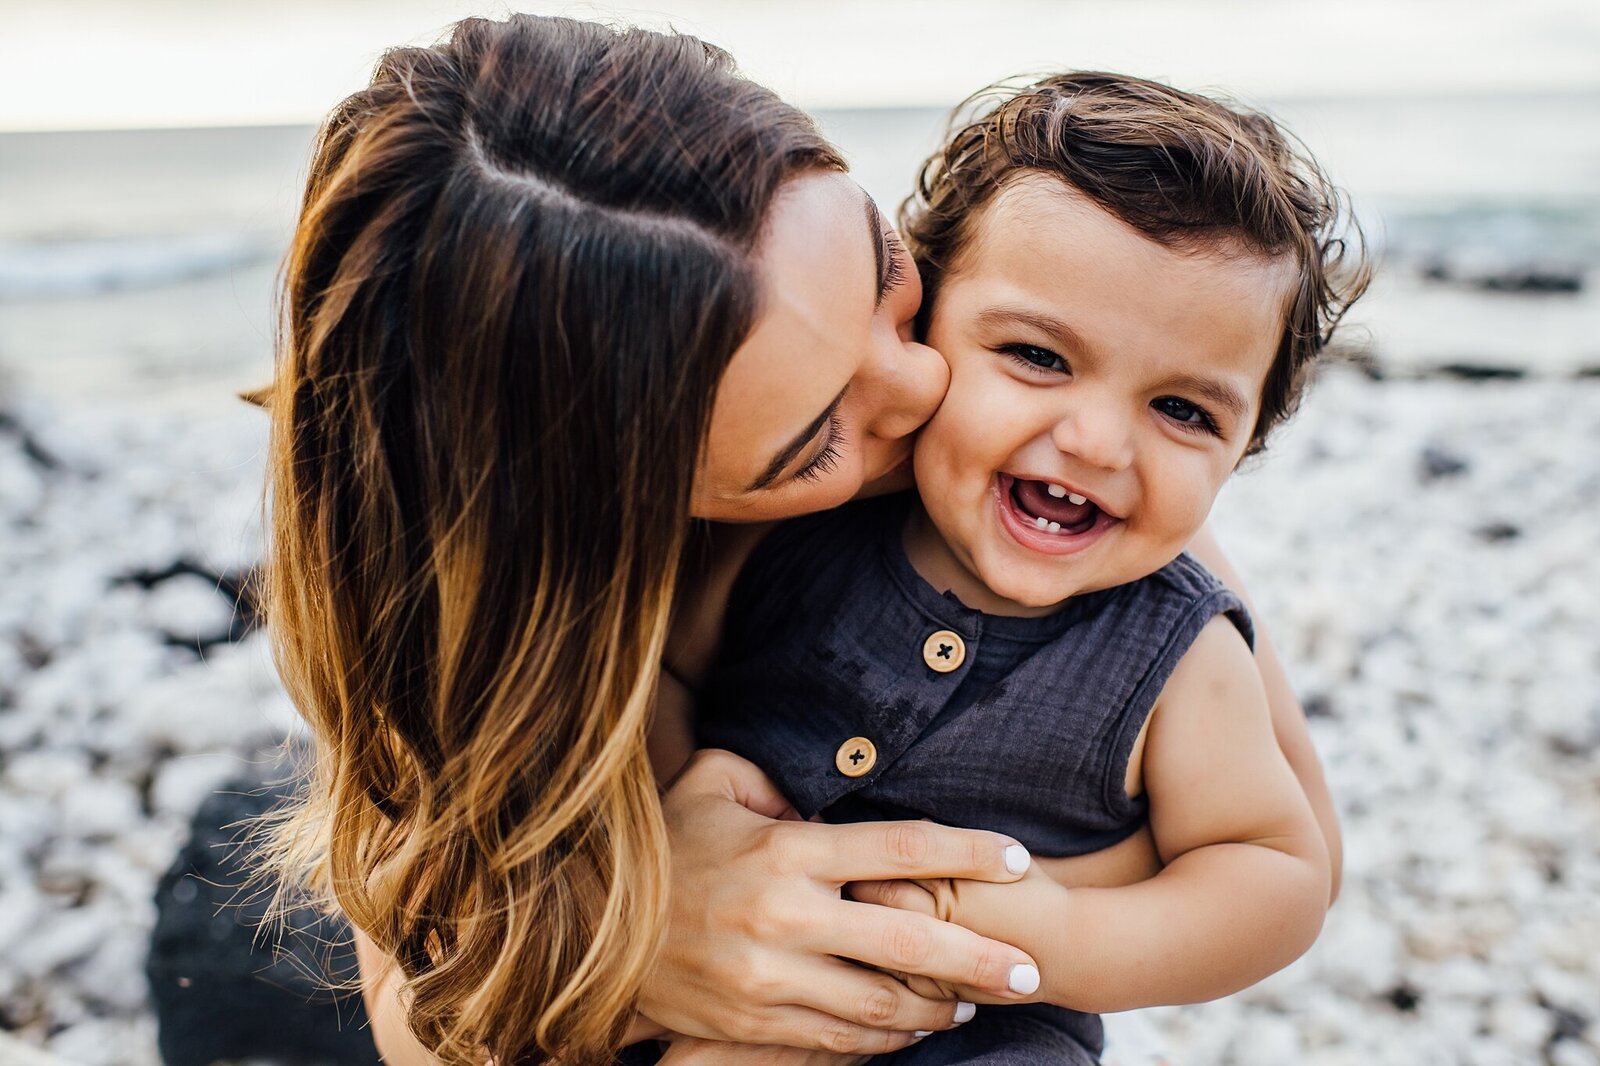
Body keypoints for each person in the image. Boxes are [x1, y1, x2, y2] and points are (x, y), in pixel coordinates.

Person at [254, 14, 1342, 1066]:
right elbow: (425, 1011)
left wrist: (1022, 919)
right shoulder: (544, 608)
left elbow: (1291, 863)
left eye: (882, 275)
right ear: (643, 511)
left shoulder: (1147, 595)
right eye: (813, 436)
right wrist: (640, 935)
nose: (922, 383)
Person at [661, 73, 1370, 1064]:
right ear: (928, 323)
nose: (1095, 440)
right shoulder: (799, 534)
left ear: (1244, 446)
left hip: (983, 1027)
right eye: (1039, 355)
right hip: (725, 987)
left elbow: (1276, 868)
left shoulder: (1176, 648)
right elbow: (669, 675)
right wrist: (681, 810)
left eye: (1182, 411)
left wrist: (1066, 936)